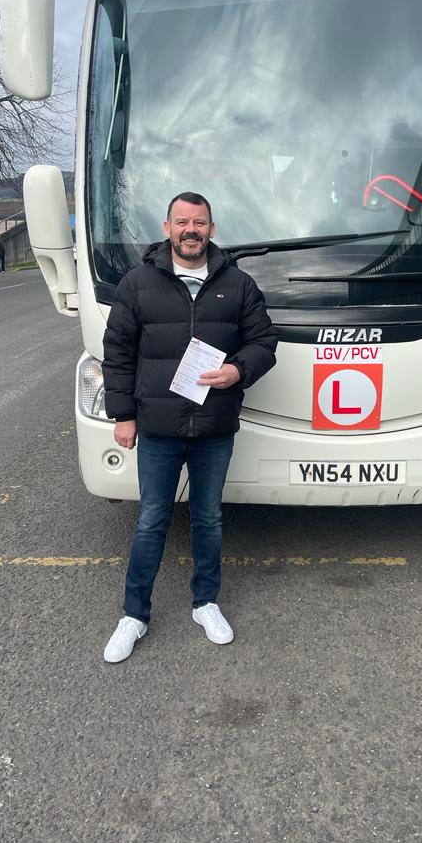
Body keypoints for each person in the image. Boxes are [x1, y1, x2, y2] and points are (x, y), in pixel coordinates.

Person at [101, 192, 277, 663]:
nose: (191, 230)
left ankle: (206, 603)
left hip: (214, 425)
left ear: (212, 230)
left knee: (209, 518)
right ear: (167, 228)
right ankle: (133, 615)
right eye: (182, 222)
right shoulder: (137, 284)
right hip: (157, 427)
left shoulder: (238, 285)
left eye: (199, 222)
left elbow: (264, 342)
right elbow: (117, 352)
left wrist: (238, 370)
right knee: (151, 520)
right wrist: (123, 415)